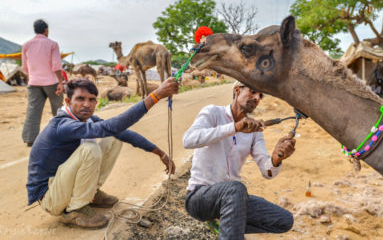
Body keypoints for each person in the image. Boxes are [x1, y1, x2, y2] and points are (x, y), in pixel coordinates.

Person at [26, 77, 179, 229]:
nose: (86, 104)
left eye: (92, 100)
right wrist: (155, 96)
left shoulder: (86, 118)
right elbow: (109, 127)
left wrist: (160, 153)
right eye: (80, 99)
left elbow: (121, 132)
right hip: (51, 197)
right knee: (90, 149)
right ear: (67, 102)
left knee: (114, 138)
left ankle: (91, 193)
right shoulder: (62, 124)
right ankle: (75, 209)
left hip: (62, 186)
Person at [183, 80, 296, 239]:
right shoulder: (213, 113)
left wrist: (277, 158)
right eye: (252, 92)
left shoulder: (255, 131)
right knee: (235, 189)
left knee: (284, 220)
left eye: (260, 95)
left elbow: (267, 170)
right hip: (200, 197)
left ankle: (225, 224)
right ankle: (226, 226)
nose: (257, 97)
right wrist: (235, 128)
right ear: (237, 90)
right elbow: (188, 140)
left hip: (232, 200)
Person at [22, 19, 64, 147]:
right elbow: (56, 66)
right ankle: (61, 135)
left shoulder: (26, 45)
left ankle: (30, 138)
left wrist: (34, 76)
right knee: (57, 110)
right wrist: (61, 82)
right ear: (46, 30)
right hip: (51, 82)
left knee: (33, 110)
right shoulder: (53, 44)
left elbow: (25, 67)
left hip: (34, 83)